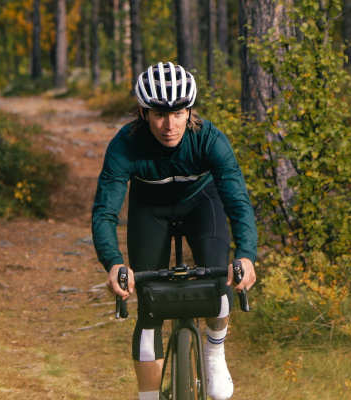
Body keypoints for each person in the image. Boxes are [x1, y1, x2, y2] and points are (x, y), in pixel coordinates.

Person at [92, 61, 258, 400]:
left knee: (221, 283)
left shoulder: (210, 140)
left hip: (202, 204)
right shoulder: (125, 144)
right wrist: (113, 262)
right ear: (143, 113)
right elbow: (105, 211)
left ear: (190, 111)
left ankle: (213, 352)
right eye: (159, 115)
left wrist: (246, 255)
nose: (169, 125)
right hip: (149, 210)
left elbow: (238, 201)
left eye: (179, 113)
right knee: (148, 305)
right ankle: (149, 396)